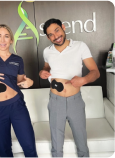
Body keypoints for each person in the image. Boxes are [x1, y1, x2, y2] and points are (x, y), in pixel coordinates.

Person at [39, 18, 100, 158]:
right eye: (51, 35)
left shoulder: (80, 46)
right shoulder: (47, 52)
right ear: (48, 37)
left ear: (63, 27)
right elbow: (46, 67)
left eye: (57, 31)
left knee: (82, 144)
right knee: (56, 146)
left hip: (75, 101)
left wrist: (83, 80)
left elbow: (95, 72)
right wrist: (42, 72)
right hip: (55, 101)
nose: (56, 36)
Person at [0, 24, 38, 158]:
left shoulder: (18, 60)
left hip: (17, 106)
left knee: (29, 146)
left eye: (6, 36)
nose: (2, 40)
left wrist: (29, 82)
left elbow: (20, 82)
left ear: (11, 40)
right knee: (4, 149)